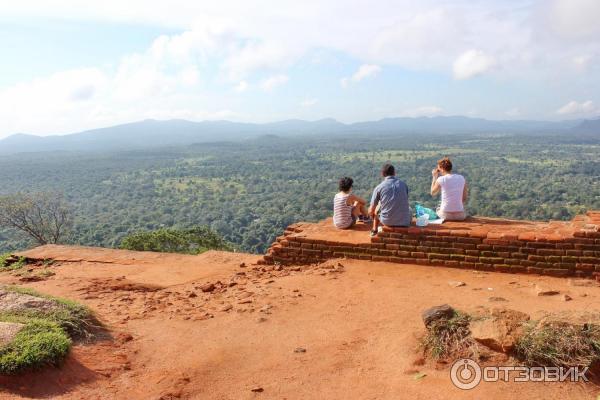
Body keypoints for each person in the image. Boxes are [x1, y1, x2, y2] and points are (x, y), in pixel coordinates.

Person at [369, 164, 411, 236]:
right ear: (394, 173)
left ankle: (374, 229)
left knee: (378, 206)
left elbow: (370, 211)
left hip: (387, 221)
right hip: (405, 221)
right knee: (409, 208)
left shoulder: (379, 187)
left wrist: (372, 215)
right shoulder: (403, 184)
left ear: (382, 174)